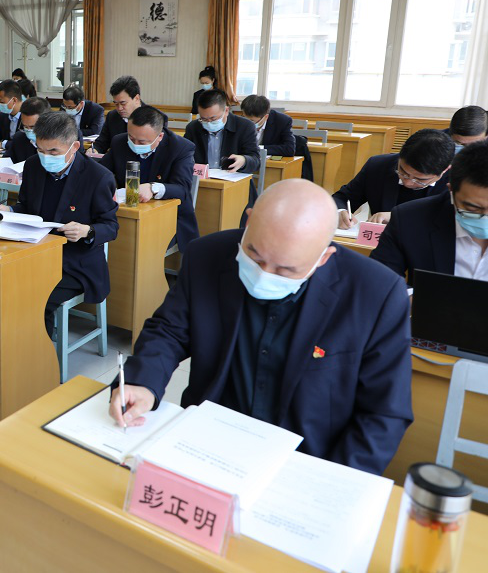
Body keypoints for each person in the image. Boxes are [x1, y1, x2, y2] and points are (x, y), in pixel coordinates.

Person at [109, 179, 412, 475]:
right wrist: (142, 382)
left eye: (286, 270)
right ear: (249, 219)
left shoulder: (377, 294)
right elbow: (170, 330)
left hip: (305, 461)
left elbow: (384, 412)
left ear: (323, 257)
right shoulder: (207, 255)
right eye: (254, 255)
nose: (264, 274)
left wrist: (331, 479)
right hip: (208, 439)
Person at [0, 112, 119, 336]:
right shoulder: (33, 165)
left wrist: (87, 230)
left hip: (75, 263)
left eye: (53, 152)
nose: (45, 157)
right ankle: (14, 345)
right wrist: (8, 211)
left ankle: (41, 352)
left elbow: (111, 226)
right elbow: (26, 207)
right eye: (40, 150)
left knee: (37, 298)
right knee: (1, 286)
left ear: (74, 146)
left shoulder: (98, 177)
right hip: (36, 253)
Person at [371, 140, 488, 282]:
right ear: (451, 190)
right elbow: (379, 280)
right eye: (473, 208)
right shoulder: (410, 219)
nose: (485, 218)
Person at [100, 106, 199, 251]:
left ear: (160, 136)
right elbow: (101, 172)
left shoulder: (180, 147)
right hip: (126, 213)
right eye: (131, 138)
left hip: (169, 218)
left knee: (138, 244)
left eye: (142, 142)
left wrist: (153, 188)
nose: (134, 144)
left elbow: (182, 189)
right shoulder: (119, 141)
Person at [334, 128, 453, 228]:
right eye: (403, 172)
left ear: (445, 170)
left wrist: (399, 216)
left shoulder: (456, 182)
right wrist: (340, 212)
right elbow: (342, 198)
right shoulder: (378, 165)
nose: (408, 182)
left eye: (420, 180)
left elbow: (451, 222)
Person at [184, 89, 259, 174]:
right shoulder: (193, 128)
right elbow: (184, 156)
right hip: (203, 179)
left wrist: (244, 160)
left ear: (226, 111)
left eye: (213, 118)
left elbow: (256, 161)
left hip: (233, 178)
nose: (209, 123)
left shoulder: (245, 126)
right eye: (204, 119)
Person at [4, 97, 86, 164]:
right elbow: (6, 163)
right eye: (25, 127)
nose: (29, 131)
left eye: (33, 127)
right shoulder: (19, 138)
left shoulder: (69, 135)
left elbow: (80, 165)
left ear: (47, 121)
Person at [92, 75, 145, 155]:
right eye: (116, 104)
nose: (119, 108)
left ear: (136, 98)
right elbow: (101, 143)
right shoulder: (112, 116)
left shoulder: (154, 118)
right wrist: (94, 150)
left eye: (123, 103)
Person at [0, 79, 24, 148]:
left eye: (2, 102)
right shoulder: (3, 115)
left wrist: (3, 144)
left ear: (14, 100)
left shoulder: (29, 116)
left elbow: (25, 143)